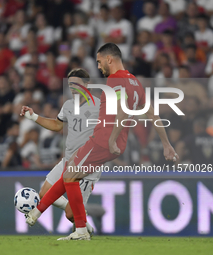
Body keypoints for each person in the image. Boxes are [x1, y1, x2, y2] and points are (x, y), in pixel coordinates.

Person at [24, 43, 178, 240]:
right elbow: (151, 113)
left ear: (109, 59)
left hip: (104, 139)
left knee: (70, 174)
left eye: (99, 61)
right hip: (114, 142)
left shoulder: (115, 80)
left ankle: (70, 226)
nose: (98, 66)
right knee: (70, 173)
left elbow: (122, 109)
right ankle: (63, 224)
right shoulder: (134, 82)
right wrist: (166, 144)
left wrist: (112, 138)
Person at [20, 68, 101, 236]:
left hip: (87, 165)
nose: (73, 88)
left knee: (70, 214)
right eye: (71, 84)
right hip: (68, 160)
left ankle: (81, 223)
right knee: (44, 193)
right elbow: (57, 125)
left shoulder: (100, 105)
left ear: (88, 85)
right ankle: (83, 225)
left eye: (77, 84)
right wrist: (34, 117)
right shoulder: (68, 105)